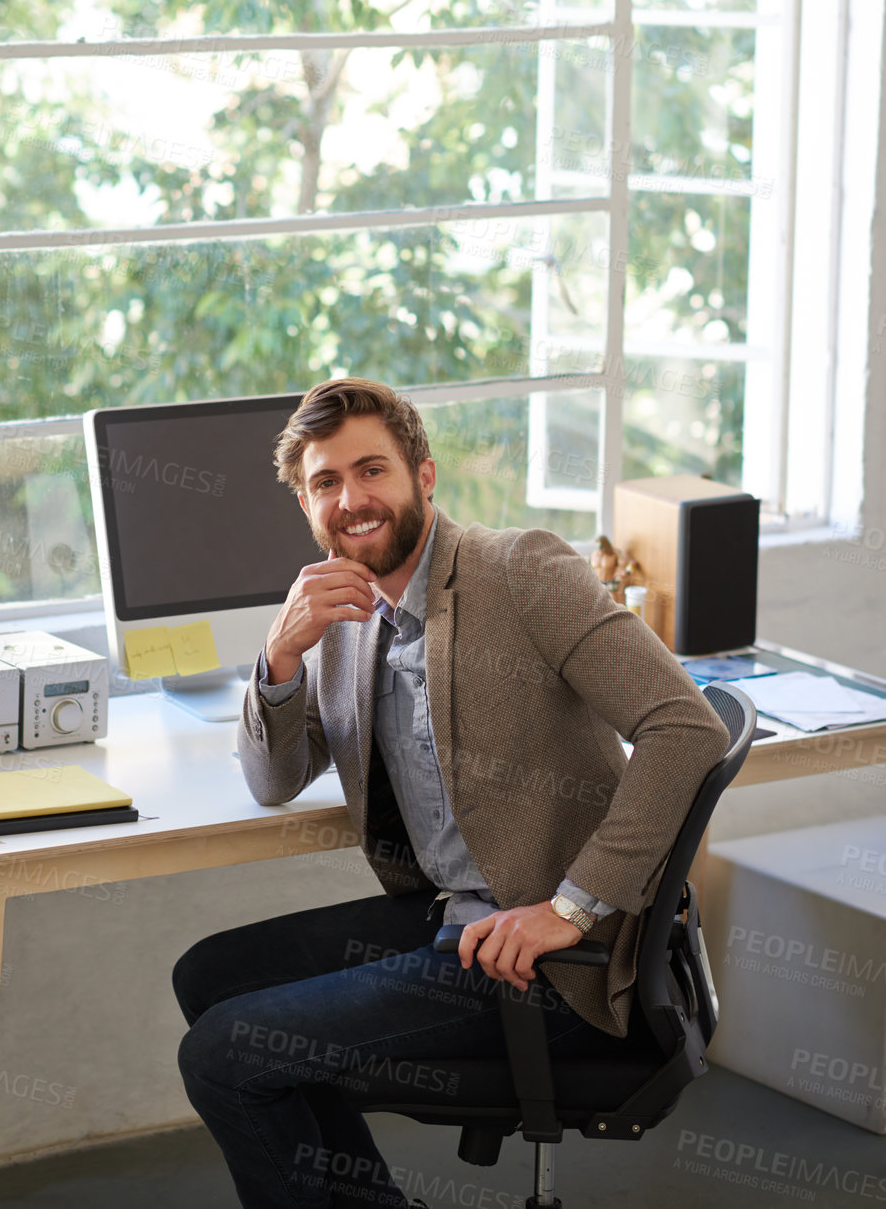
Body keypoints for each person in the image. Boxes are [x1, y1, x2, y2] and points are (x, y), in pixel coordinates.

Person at [173, 378, 730, 1209]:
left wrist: (569, 908)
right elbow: (273, 780)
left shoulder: (520, 569)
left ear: (423, 476)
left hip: (549, 955)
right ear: (304, 500)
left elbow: (686, 729)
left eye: (372, 470)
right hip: (453, 913)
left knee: (222, 1054)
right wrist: (280, 656)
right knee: (208, 976)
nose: (352, 499)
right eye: (326, 482)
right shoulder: (342, 609)